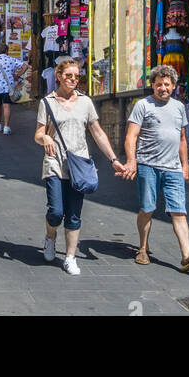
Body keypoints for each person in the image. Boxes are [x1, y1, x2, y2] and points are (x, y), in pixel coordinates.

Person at [35, 57, 126, 276]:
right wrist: (44, 139)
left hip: (79, 165)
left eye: (77, 76)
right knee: (56, 212)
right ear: (58, 77)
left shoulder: (85, 102)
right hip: (55, 163)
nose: (74, 79)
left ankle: (70, 257)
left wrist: (113, 160)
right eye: (69, 75)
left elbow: (97, 133)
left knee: (74, 214)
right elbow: (38, 133)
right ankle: (50, 238)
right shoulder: (47, 102)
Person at [122, 63, 189, 272]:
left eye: (167, 85)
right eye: (159, 84)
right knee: (148, 208)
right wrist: (131, 161)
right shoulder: (143, 105)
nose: (163, 88)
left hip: (173, 168)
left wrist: (185, 165)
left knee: (179, 211)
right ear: (153, 85)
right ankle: (142, 248)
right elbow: (131, 136)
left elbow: (182, 139)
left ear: (173, 86)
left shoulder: (179, 107)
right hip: (148, 165)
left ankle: (187, 256)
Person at [0, 43, 26, 134]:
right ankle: (6, 127)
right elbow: (25, 66)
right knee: (6, 105)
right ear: (7, 51)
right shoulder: (11, 60)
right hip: (8, 87)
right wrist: (17, 75)